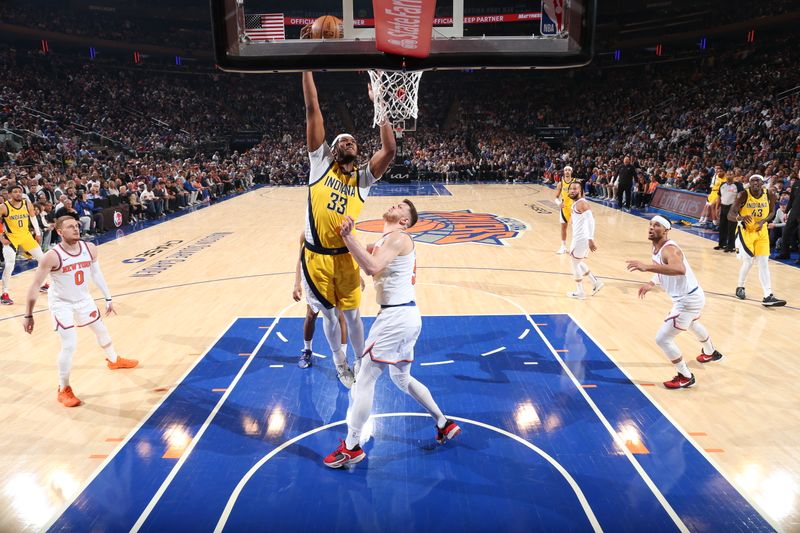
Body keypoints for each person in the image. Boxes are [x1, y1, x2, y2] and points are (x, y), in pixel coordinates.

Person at [323, 200, 460, 468]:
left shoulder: (399, 237)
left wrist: (348, 236)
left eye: (400, 207)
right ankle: (443, 423)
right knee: (401, 378)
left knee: (364, 379)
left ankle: (352, 446)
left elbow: (372, 267)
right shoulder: (388, 239)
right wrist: (350, 240)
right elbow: (367, 260)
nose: (394, 205)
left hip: (396, 317)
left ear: (405, 221)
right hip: (406, 315)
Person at [300, 71, 396, 388]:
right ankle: (340, 362)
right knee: (329, 316)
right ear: (332, 149)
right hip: (316, 259)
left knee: (353, 316)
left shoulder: (363, 180)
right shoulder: (320, 162)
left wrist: (379, 105)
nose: (349, 142)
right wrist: (306, 66)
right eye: (343, 140)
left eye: (353, 140)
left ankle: (359, 360)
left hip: (345, 257)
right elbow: (313, 107)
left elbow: (390, 150)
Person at [22, 216, 138, 407]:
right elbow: (35, 285)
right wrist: (28, 314)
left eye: (77, 226)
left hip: (84, 299)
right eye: (70, 227)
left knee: (101, 330)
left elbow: (96, 273)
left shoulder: (89, 248)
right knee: (70, 344)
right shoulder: (51, 256)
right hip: (61, 303)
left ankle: (114, 360)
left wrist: (108, 297)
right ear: (60, 232)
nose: (76, 229)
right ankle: (63, 388)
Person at [626, 216, 724, 390]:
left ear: (665, 230)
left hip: (686, 301)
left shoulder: (669, 250)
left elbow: (679, 269)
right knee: (693, 323)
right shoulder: (657, 247)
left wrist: (646, 267)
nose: (651, 227)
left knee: (663, 339)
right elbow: (661, 267)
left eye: (656, 225)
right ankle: (710, 352)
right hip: (694, 295)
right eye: (650, 224)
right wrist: (651, 282)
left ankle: (685, 376)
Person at [292, 232, 348, 369]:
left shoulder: (333, 232)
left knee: (339, 315)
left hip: (334, 278)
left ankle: (342, 357)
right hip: (313, 279)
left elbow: (348, 257)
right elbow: (300, 259)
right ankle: (307, 350)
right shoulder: (305, 234)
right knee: (311, 315)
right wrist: (297, 283)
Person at [730, 175, 786, 307]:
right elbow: (730, 214)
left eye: (758, 180)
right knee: (748, 261)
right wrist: (741, 217)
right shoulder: (743, 195)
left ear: (762, 182)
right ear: (749, 183)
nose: (755, 183)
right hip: (746, 231)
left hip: (761, 231)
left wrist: (763, 221)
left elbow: (772, 212)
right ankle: (740, 287)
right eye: (752, 181)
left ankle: (768, 295)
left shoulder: (769, 194)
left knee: (763, 262)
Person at [1, 184, 48, 305]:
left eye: (20, 191)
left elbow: (32, 218)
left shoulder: (27, 203)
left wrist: (37, 233)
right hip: (11, 238)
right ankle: (4, 293)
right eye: (15, 192)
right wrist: (1, 237)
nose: (18, 194)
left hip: (26, 236)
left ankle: (42, 284)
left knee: (43, 260)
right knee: (10, 265)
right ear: (10, 194)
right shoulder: (4, 207)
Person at [566, 182, 603, 299]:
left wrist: (591, 238)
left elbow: (591, 220)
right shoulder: (577, 203)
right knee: (578, 262)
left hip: (581, 238)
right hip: (581, 238)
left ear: (581, 191)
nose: (572, 191)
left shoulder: (581, 203)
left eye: (575, 189)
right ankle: (595, 282)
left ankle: (580, 292)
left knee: (574, 263)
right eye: (571, 189)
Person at [775, 170, 800, 263]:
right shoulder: (796, 183)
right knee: (786, 231)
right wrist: (786, 212)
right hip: (794, 211)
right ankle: (784, 253)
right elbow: (791, 199)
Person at [553, 165, 578, 254]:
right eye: (566, 170)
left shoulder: (576, 182)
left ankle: (574, 247)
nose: (567, 171)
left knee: (576, 228)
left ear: (571, 172)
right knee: (563, 227)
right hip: (564, 208)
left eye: (569, 170)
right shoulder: (561, 183)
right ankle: (563, 246)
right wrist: (558, 203)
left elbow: (582, 196)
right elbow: (556, 197)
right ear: (564, 172)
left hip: (574, 208)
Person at [717, 171, 741, 252]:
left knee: (731, 228)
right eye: (727, 174)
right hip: (723, 206)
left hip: (732, 208)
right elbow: (719, 197)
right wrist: (718, 207)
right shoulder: (722, 185)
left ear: (734, 175)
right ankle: (721, 244)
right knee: (722, 227)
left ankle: (731, 246)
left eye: (731, 174)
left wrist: (737, 207)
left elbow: (742, 196)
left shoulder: (738, 185)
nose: (729, 176)